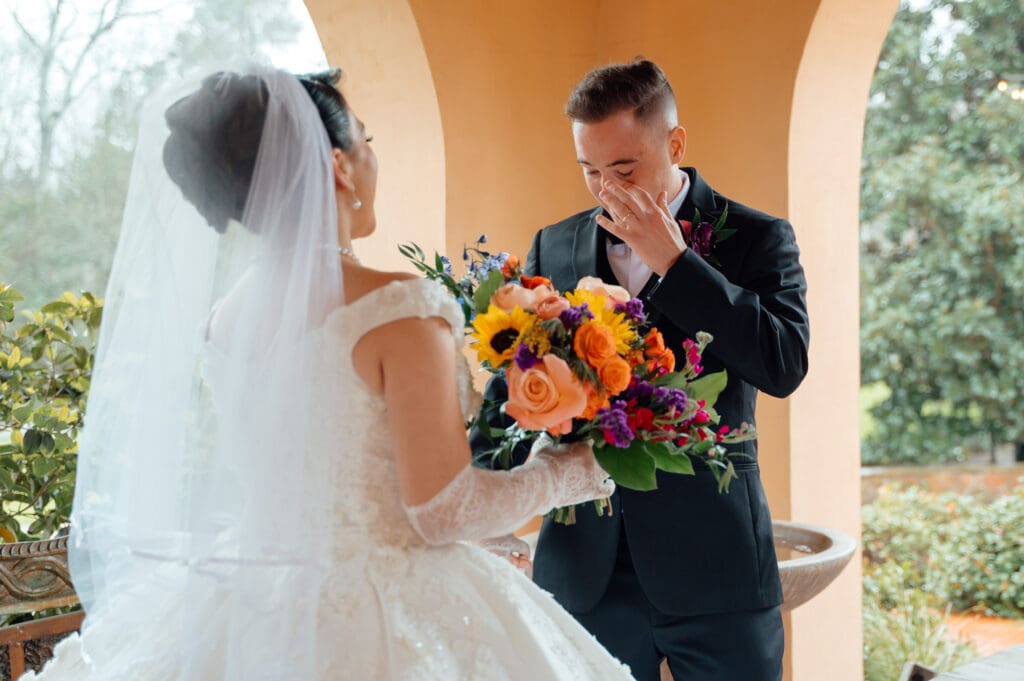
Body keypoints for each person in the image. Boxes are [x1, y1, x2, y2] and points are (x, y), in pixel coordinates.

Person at [23, 65, 635, 680]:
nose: (372, 156)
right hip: (386, 609)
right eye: (365, 138)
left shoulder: (227, 318)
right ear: (340, 166)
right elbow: (441, 511)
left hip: (253, 593)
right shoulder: (399, 307)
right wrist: (565, 475)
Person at [472, 58, 809, 681]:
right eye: (590, 170)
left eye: (623, 168)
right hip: (583, 570)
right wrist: (470, 499)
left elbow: (784, 365)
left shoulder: (759, 239)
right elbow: (509, 386)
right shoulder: (556, 243)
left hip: (717, 567)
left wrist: (680, 266)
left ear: (674, 143)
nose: (604, 188)